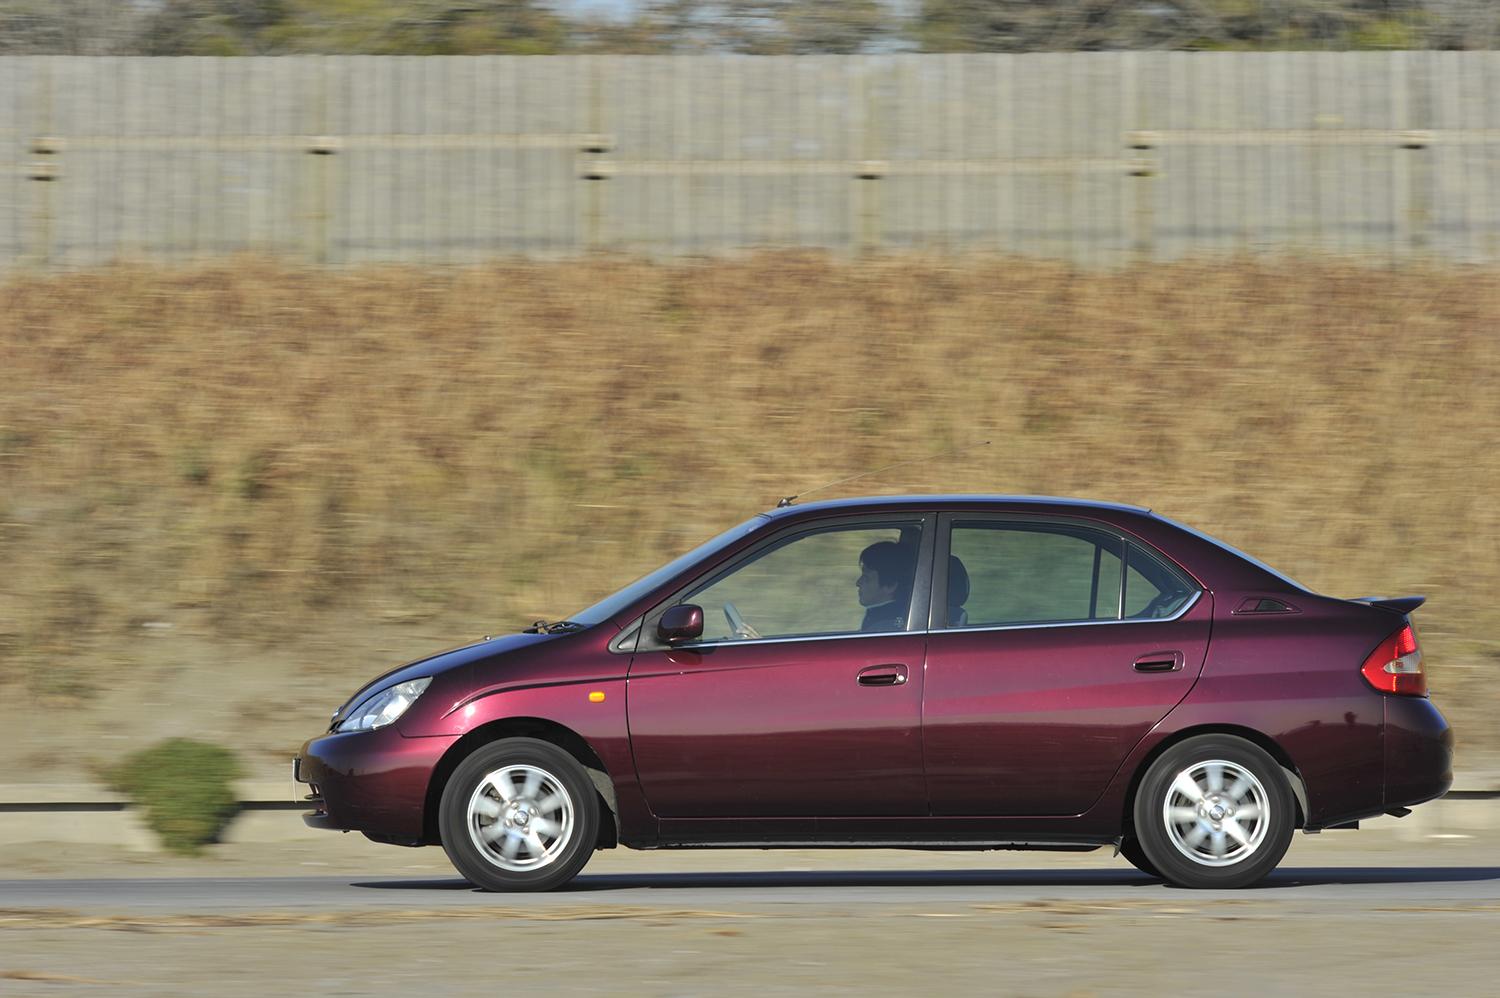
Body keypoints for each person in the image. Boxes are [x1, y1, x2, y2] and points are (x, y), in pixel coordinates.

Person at [856, 541, 915, 632]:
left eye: (866, 577)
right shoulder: (883, 621)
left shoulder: (884, 627)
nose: (857, 583)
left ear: (890, 586)